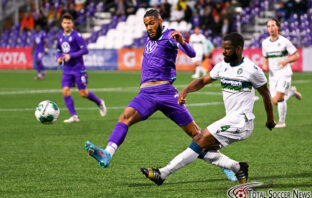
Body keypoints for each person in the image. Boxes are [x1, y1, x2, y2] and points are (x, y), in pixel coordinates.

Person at [84, 10, 238, 181]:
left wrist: (182, 42)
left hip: (166, 92)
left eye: (151, 23)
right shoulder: (148, 38)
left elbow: (193, 54)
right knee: (124, 118)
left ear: (160, 21)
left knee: (197, 135)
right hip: (146, 94)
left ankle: (225, 164)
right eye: (146, 25)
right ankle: (107, 153)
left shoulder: (170, 35)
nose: (148, 27)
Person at [141, 32, 276, 185]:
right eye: (223, 48)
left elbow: (265, 94)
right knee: (201, 149)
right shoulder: (222, 66)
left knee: (199, 140)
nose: (223, 52)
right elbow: (203, 80)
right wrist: (185, 91)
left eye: (228, 49)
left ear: (238, 50)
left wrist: (270, 119)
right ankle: (238, 167)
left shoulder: (252, 70)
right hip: (231, 119)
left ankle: (163, 173)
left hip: (242, 121)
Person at [57, 13, 107, 123]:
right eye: (65, 23)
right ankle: (74, 116)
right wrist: (59, 58)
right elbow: (59, 50)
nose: (66, 25)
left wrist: (71, 55)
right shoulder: (60, 37)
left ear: (72, 24)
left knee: (83, 93)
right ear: (61, 24)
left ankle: (99, 102)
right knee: (65, 91)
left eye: (69, 23)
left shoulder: (76, 36)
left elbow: (85, 50)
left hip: (78, 68)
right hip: (67, 69)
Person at [262, 17, 302, 128]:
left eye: (273, 25)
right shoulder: (265, 43)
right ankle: (291, 92)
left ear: (278, 27)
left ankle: (281, 122)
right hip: (273, 75)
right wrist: (265, 66)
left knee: (279, 97)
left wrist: (286, 61)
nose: (271, 28)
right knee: (275, 101)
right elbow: (265, 58)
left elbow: (296, 55)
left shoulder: (284, 41)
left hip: (284, 73)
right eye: (269, 26)